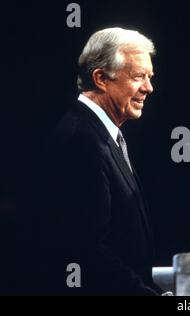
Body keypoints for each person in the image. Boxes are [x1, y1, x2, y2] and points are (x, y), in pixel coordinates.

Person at [34, 27, 164, 295]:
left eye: (149, 77)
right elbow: (87, 250)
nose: (149, 88)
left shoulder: (102, 134)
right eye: (139, 77)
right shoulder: (80, 140)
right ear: (101, 78)